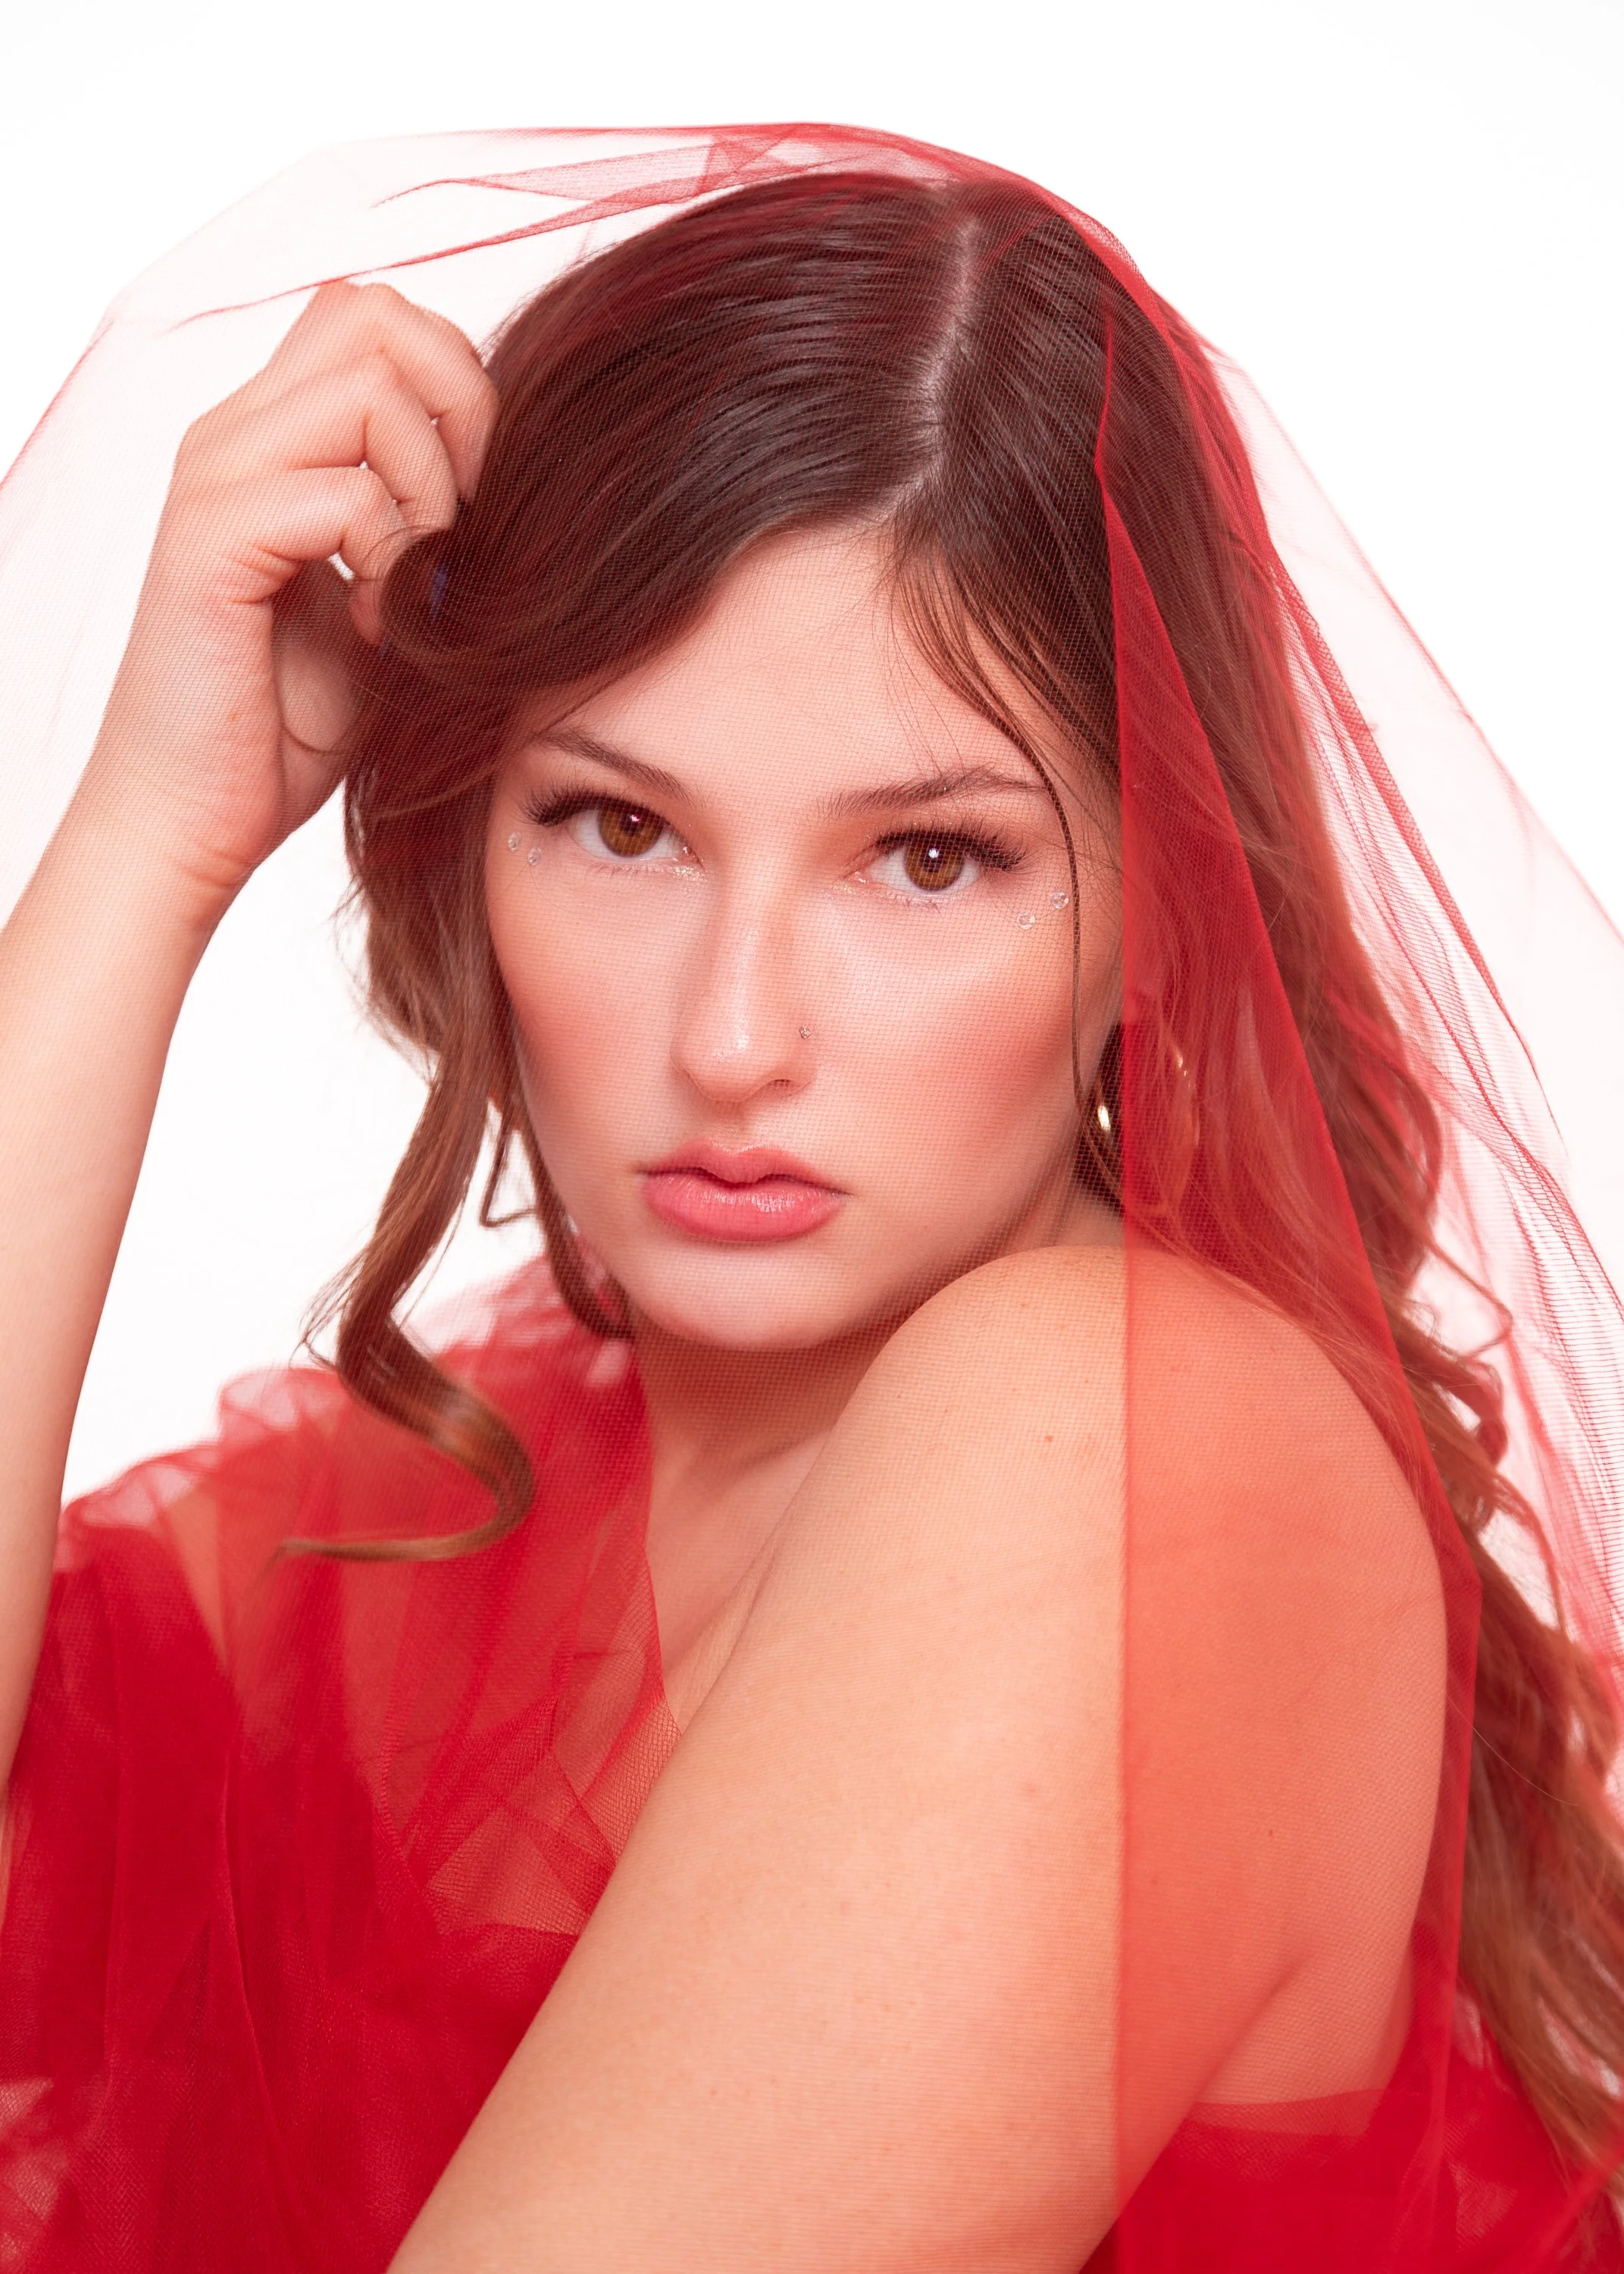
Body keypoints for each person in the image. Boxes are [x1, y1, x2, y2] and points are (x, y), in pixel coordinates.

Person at [0, 126, 1621, 2271]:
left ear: (1163, 915)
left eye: (930, 857)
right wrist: (141, 840)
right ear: (466, 828)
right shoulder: (407, 1540)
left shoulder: (1119, 1445)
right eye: (615, 824)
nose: (734, 1034)